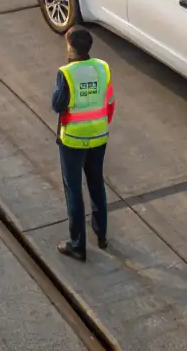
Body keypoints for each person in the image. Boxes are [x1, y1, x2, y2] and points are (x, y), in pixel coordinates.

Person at [51, 26, 114, 261]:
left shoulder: (66, 73)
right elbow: (110, 102)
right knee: (96, 183)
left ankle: (77, 245)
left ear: (70, 48)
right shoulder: (102, 68)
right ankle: (102, 234)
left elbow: (57, 104)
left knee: (74, 190)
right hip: (99, 136)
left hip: (73, 141)